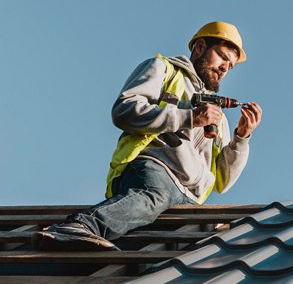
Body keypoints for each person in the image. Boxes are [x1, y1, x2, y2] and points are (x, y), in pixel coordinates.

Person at [32, 21, 263, 251]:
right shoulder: (164, 70)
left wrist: (242, 138)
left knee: (204, 238)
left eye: (230, 66)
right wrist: (189, 118)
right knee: (154, 196)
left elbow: (223, 181)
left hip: (189, 198)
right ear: (199, 47)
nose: (224, 68)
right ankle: (79, 226)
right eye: (222, 57)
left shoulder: (218, 117)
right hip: (155, 171)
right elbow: (124, 111)